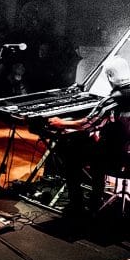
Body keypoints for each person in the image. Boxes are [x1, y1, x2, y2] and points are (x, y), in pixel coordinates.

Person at [47, 56, 130, 216]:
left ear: (110, 76)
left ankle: (76, 206)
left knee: (72, 153)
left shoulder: (114, 99)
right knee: (97, 145)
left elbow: (86, 123)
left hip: (116, 158)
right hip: (126, 154)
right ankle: (95, 199)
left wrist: (61, 123)